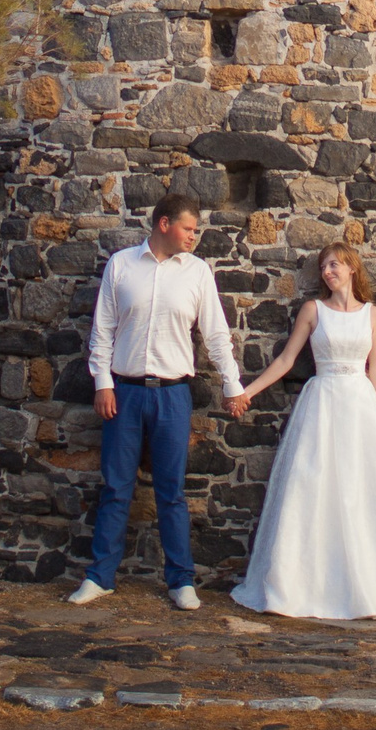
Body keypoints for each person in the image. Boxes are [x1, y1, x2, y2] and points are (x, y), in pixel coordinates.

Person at [229, 243, 376, 619]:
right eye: (323, 266)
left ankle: (372, 587)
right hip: (323, 404)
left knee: (365, 492)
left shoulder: (372, 315)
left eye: (335, 265)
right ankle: (306, 587)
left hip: (361, 408)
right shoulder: (314, 311)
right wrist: (246, 391)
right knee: (314, 488)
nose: (328, 271)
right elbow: (286, 359)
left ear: (351, 268)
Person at [71, 193, 250, 609]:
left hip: (173, 395)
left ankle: (180, 581)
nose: (194, 236)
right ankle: (100, 577)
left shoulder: (198, 273)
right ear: (164, 224)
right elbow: (102, 330)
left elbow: (216, 334)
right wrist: (102, 382)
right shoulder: (121, 265)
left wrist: (232, 384)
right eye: (189, 228)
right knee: (116, 487)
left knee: (171, 491)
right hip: (125, 392)